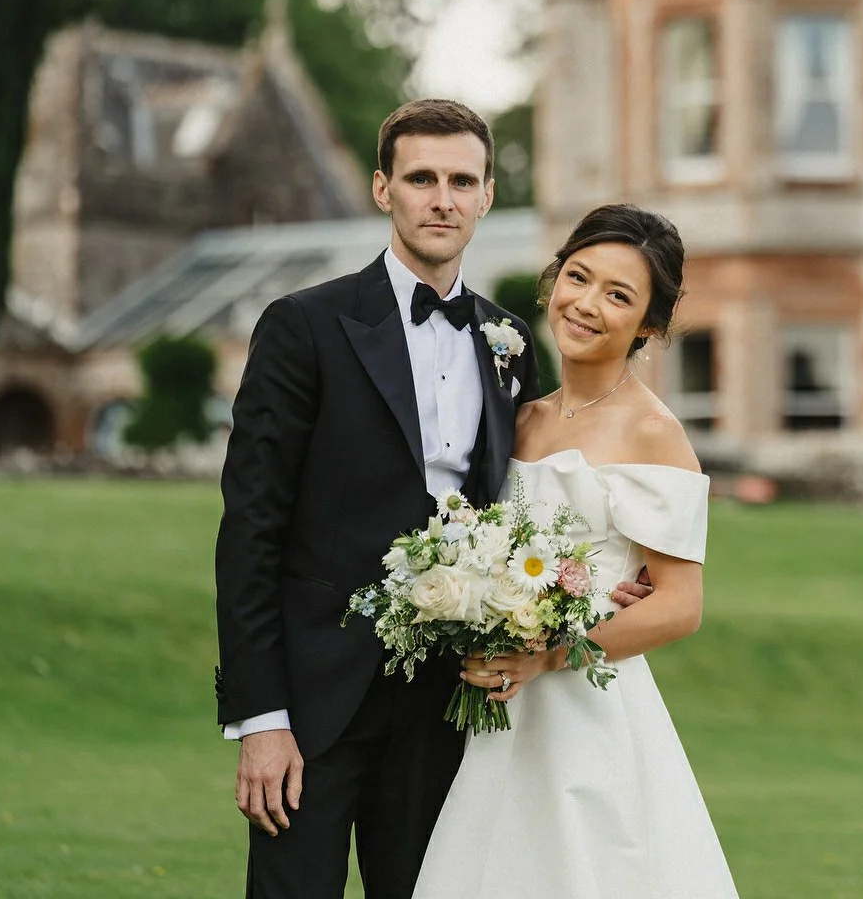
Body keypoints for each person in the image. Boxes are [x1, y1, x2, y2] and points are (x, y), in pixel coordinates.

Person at [213, 100, 650, 898]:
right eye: (421, 178)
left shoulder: (509, 342)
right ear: (384, 189)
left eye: (461, 180)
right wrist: (261, 718)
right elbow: (250, 528)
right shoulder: (304, 326)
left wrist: (597, 582)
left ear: (486, 196)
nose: (442, 198)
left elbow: (530, 503)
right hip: (315, 699)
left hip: (450, 702)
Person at [412, 204, 740, 898]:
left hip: (586, 712)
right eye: (579, 277)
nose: (587, 304)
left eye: (618, 295)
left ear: (650, 325)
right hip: (497, 711)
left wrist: (546, 654)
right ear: (553, 279)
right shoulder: (517, 416)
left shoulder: (653, 431)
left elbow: (680, 606)